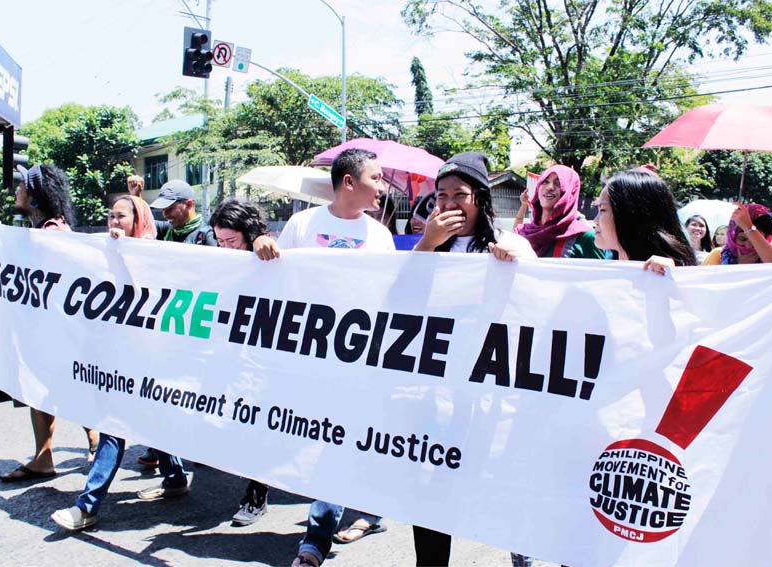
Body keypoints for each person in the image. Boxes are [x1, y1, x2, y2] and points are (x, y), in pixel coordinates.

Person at [253, 148, 392, 567]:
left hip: (356, 362)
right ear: (349, 182)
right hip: (307, 358)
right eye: (377, 178)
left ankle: (315, 541)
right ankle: (369, 507)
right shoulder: (302, 224)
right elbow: (272, 274)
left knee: (336, 443)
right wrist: (262, 243)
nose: (383, 187)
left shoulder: (380, 237)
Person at [411, 152, 536, 567]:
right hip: (436, 394)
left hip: (488, 395)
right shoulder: (426, 247)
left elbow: (538, 311)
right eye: (441, 195)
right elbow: (402, 301)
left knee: (491, 485)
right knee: (431, 491)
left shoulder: (511, 243)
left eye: (459, 194)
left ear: (480, 199)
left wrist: (515, 274)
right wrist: (427, 244)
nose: (448, 204)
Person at [50, 196, 158, 531]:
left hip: (151, 359)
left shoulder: (158, 256)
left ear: (138, 220)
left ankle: (87, 507)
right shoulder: (101, 252)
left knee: (136, 423)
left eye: (122, 216)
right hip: (115, 357)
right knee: (119, 423)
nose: (114, 221)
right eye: (110, 215)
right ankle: (175, 476)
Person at [0, 164, 100, 482]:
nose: (17, 193)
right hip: (51, 331)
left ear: (35, 197)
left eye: (21, 188)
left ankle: (82, 448)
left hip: (57, 332)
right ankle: (57, 453)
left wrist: (4, 241)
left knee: (57, 387)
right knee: (47, 389)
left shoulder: (52, 235)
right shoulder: (46, 230)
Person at [133, 180, 217, 499]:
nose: (166, 213)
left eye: (171, 207)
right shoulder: (167, 232)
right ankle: (170, 461)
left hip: (197, 336)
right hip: (170, 332)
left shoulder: (206, 236)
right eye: (163, 208)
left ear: (189, 205)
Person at [208, 200, 273, 526]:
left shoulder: (268, 256)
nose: (224, 247)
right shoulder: (219, 259)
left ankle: (256, 494)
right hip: (232, 354)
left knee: (256, 426)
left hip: (264, 358)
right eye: (219, 241)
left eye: (231, 241)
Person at [592, 170, 697, 272]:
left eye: (603, 210)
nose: (595, 220)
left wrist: (673, 275)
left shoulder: (671, 273)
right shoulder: (606, 270)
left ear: (630, 216)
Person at [513, 165, 604, 259]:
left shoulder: (585, 238)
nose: (550, 187)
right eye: (545, 181)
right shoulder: (521, 233)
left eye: (558, 183)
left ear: (571, 192)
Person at [702, 203, 772, 265]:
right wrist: (739, 266)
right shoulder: (717, 255)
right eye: (742, 239)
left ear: (766, 238)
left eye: (755, 239)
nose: (748, 245)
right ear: (732, 237)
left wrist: (748, 227)